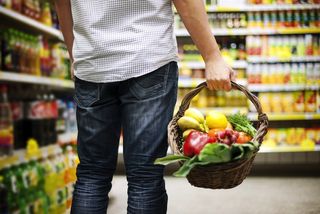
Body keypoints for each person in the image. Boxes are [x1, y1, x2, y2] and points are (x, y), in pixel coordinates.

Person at [54, 0, 235, 213]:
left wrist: (74, 54)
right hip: (147, 59)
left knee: (92, 175)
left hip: (92, 64)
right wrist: (212, 56)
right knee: (145, 176)